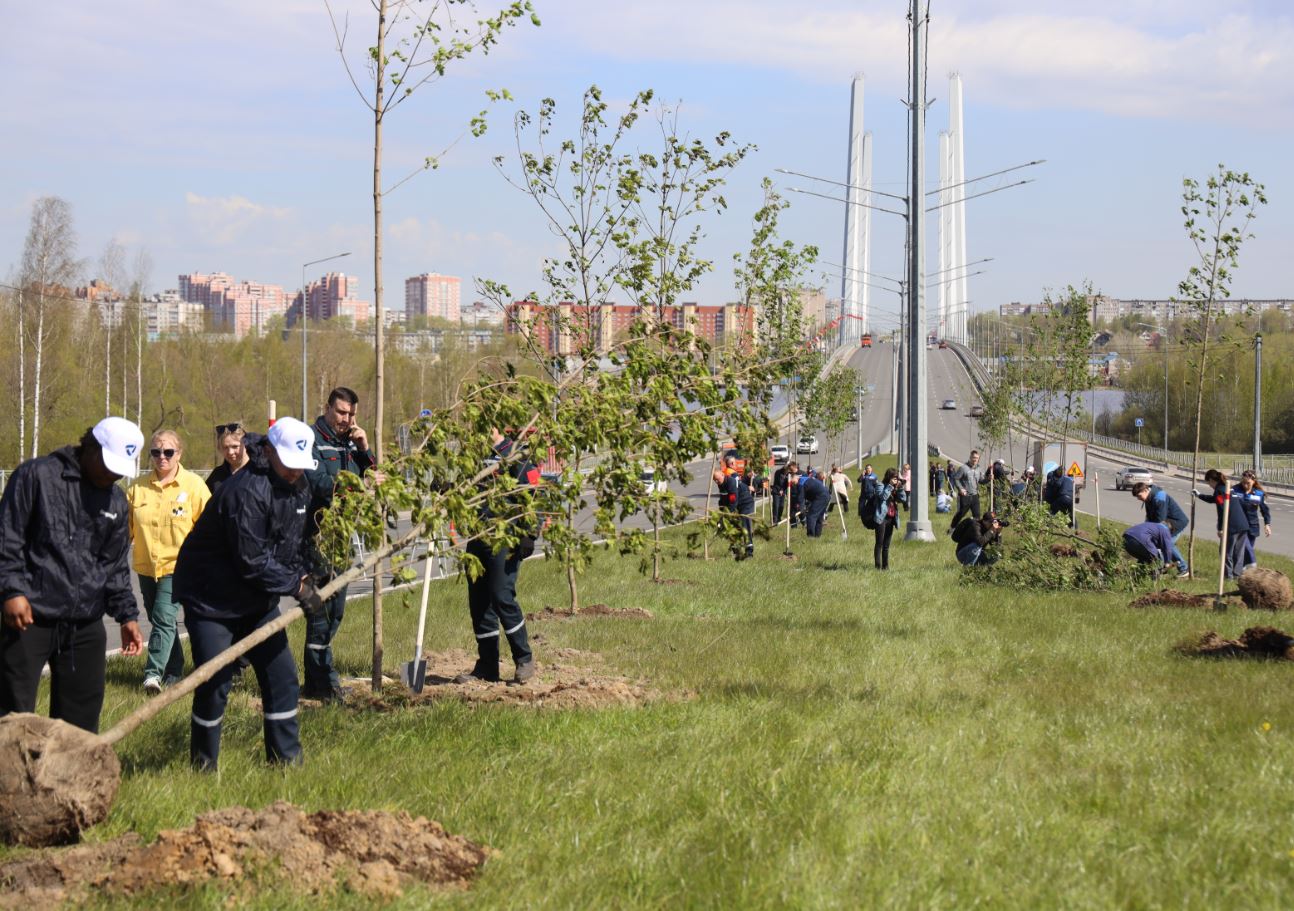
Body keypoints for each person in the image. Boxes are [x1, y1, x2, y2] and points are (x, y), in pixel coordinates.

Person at [173, 417, 319, 770]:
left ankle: (285, 762)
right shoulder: (246, 491)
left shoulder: (299, 485)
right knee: (216, 681)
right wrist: (297, 587)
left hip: (255, 600)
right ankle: (203, 768)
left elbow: (291, 543)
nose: (295, 472)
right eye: (289, 464)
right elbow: (253, 560)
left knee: (282, 677)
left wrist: (307, 571)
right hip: (211, 600)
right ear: (268, 452)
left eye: (301, 465)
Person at [0, 417, 145, 734]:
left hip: (84, 624)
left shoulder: (117, 502)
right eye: (109, 464)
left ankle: (67, 783)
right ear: (91, 447)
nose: (114, 474)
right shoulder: (36, 476)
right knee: (12, 714)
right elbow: (7, 537)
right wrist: (11, 591)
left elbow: (115, 565)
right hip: (29, 617)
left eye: (121, 468)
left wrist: (127, 616)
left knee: (79, 726)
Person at [302, 387, 377, 701]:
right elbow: (319, 485)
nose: (346, 419)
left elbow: (375, 477)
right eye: (341, 412)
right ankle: (325, 681)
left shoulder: (350, 442)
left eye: (351, 414)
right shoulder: (310, 439)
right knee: (320, 610)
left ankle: (317, 678)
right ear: (328, 408)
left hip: (342, 535)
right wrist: (361, 484)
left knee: (337, 612)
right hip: (315, 535)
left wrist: (364, 450)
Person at [127, 429, 211, 693]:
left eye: (168, 452)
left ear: (179, 454)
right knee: (158, 619)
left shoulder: (195, 487)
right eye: (156, 452)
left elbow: (209, 528)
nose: (161, 457)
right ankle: (175, 669)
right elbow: (123, 531)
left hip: (177, 567)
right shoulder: (136, 489)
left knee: (163, 617)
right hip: (145, 566)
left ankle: (152, 675)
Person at [457, 431, 540, 684]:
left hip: (505, 539)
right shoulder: (473, 456)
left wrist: (530, 533)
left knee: (501, 596)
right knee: (479, 602)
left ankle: (524, 659)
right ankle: (487, 666)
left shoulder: (516, 453)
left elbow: (534, 493)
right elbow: (464, 490)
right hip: (477, 537)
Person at [1194, 469, 1250, 580]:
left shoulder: (1219, 490)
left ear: (1211, 480)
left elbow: (1222, 510)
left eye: (1208, 482)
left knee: (1225, 551)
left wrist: (1221, 528)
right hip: (1243, 524)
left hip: (1232, 525)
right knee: (1239, 552)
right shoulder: (1227, 488)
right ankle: (1237, 575)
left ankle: (1228, 577)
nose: (1209, 485)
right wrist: (1199, 495)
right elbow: (1216, 500)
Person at [1131, 481, 1189, 578]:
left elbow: (1160, 519)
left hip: (1175, 523)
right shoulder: (1149, 498)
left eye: (1139, 496)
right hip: (1166, 524)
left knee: (1166, 544)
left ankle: (1182, 569)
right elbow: (1149, 517)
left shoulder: (1159, 497)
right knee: (1168, 544)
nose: (1138, 498)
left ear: (1145, 490)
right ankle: (1172, 568)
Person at [1232, 470, 1272, 570]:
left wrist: (1267, 524)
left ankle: (1242, 572)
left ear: (1253, 481)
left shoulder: (1258, 494)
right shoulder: (1235, 490)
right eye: (1243, 482)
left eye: (1248, 483)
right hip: (1239, 525)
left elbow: (1264, 510)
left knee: (1245, 551)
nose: (1245, 485)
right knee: (1247, 548)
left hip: (1252, 526)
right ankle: (1253, 567)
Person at [871, 467, 907, 569]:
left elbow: (903, 499)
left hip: (891, 518)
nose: (896, 480)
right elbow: (883, 497)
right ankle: (877, 566)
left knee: (886, 545)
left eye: (897, 478)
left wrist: (899, 488)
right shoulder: (880, 485)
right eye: (894, 478)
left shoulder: (895, 488)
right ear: (889, 477)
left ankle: (885, 567)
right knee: (879, 543)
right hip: (881, 518)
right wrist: (890, 486)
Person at [205, 423, 250, 494]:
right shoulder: (216, 477)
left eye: (235, 446)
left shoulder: (260, 473)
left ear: (246, 445)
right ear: (220, 448)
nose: (230, 452)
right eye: (225, 447)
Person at [948, 450, 982, 533]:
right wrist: (961, 489)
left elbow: (981, 480)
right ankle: (952, 529)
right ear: (970, 457)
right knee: (960, 514)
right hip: (965, 496)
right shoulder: (963, 468)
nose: (975, 459)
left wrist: (989, 478)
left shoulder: (978, 469)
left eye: (977, 458)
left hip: (975, 496)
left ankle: (977, 532)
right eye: (973, 457)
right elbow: (956, 478)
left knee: (977, 515)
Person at [800, 470, 831, 538]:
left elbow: (801, 497)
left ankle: (811, 536)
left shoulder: (801, 483)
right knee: (819, 516)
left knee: (811, 516)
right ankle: (817, 535)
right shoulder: (808, 480)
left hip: (821, 497)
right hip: (826, 495)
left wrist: (800, 507)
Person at [1043, 464, 1075, 528]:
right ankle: (1075, 527)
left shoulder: (1062, 478)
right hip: (1070, 499)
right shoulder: (1072, 481)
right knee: (1071, 514)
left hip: (1062, 497)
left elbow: (1057, 486)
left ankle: (1047, 524)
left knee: (1052, 510)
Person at [771, 461, 790, 525]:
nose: (787, 472)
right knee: (776, 505)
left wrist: (783, 490)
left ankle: (779, 517)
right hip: (776, 491)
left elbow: (787, 484)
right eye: (787, 470)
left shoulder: (788, 474)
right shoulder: (778, 472)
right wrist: (780, 490)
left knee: (781, 506)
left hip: (783, 491)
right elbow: (776, 482)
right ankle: (775, 519)